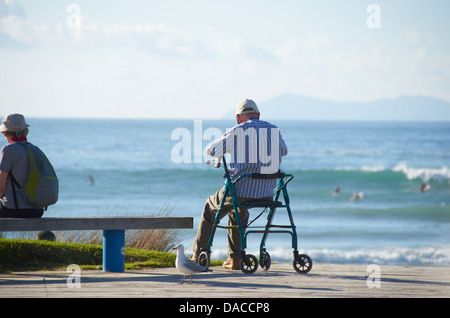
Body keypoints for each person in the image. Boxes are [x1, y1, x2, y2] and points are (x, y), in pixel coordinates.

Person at [191, 98, 288, 270]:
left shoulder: (238, 130)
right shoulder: (274, 130)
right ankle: (235, 259)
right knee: (238, 211)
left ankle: (197, 256)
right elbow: (284, 151)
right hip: (266, 192)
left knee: (210, 207)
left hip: (240, 189)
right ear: (258, 115)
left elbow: (211, 150)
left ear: (238, 117)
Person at [0, 114, 44, 218]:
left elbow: (1, 189)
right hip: (37, 210)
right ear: (25, 131)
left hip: (14, 210)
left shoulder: (8, 150)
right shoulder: (35, 150)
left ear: (6, 133)